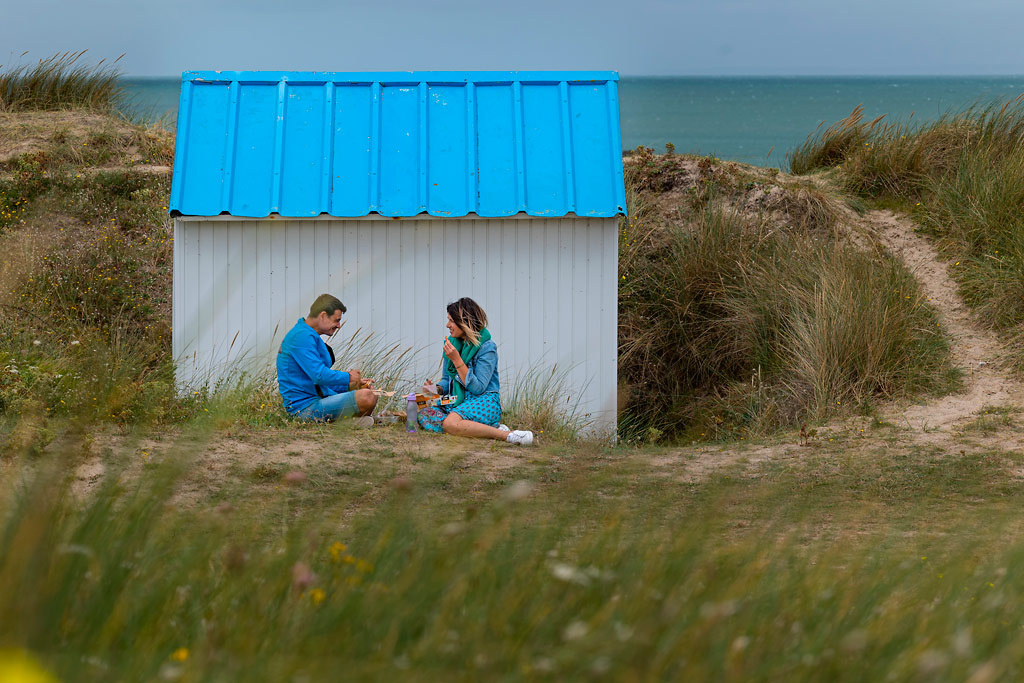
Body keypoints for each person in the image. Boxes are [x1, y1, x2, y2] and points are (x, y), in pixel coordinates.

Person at [418, 297, 534, 445]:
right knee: (423, 412)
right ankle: (483, 428)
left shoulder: (487, 347)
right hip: (457, 401)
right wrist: (436, 388)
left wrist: (457, 360)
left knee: (449, 424)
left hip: (482, 400)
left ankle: (508, 435)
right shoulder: (451, 344)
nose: (447, 325)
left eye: (451, 321)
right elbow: (447, 380)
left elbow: (478, 388)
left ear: (465, 322)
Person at [277, 293, 377, 422]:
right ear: (323, 316)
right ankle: (348, 422)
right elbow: (319, 375)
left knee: (370, 393)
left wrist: (352, 385)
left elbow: (318, 384)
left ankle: (347, 422)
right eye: (336, 320)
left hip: (319, 399)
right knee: (367, 397)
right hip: (303, 408)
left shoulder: (308, 335)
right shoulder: (301, 337)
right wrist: (349, 377)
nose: (339, 325)